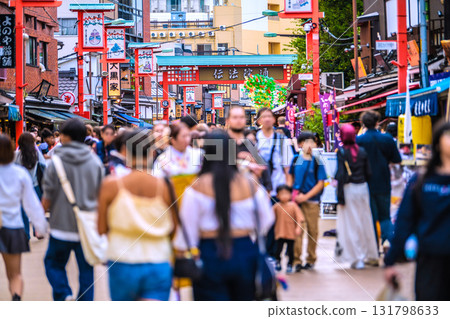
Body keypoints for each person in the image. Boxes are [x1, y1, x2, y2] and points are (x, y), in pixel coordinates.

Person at [172, 130, 275, 300]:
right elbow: (267, 219)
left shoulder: (196, 188)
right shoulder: (250, 185)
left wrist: (183, 253)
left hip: (209, 252)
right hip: (245, 250)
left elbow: (187, 232)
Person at [98, 129, 175, 301]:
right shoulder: (165, 187)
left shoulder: (110, 186)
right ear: (151, 152)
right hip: (158, 260)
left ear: (124, 152)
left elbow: (101, 228)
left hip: (122, 260)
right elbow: (174, 228)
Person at [384, 121, 450, 301]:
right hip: (430, 259)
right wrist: (391, 260)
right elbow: (405, 220)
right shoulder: (422, 180)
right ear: (437, 143)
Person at [42, 119, 104, 301]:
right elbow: (100, 197)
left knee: (53, 264)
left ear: (66, 137)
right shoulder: (95, 162)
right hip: (86, 227)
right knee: (87, 270)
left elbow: (47, 198)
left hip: (60, 226)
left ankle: (64, 294)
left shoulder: (56, 162)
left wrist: (39, 222)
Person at [0, 134, 48, 301]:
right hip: (12, 228)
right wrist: (41, 226)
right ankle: (16, 297)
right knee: (15, 275)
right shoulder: (19, 173)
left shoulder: (17, 158)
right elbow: (33, 206)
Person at [334, 125, 378, 270]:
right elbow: (370, 173)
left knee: (350, 223)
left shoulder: (341, 152)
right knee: (365, 220)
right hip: (363, 188)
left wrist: (339, 197)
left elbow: (340, 175)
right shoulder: (362, 151)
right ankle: (370, 253)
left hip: (348, 189)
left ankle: (356, 257)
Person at [356, 111, 401, 246]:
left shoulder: (359, 141)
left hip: (365, 184)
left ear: (363, 124)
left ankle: (373, 251)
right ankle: (394, 246)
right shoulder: (387, 139)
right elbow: (396, 160)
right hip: (384, 182)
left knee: (371, 218)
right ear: (377, 123)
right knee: (385, 217)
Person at [256, 107, 294, 258]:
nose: (266, 119)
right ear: (259, 121)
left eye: (269, 116)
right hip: (259, 189)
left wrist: (289, 190)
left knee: (275, 223)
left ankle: (271, 254)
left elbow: (287, 168)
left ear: (274, 120)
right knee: (261, 223)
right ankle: (263, 252)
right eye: (263, 117)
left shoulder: (282, 140)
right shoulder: (254, 140)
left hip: (277, 187)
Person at [288, 132, 327, 271]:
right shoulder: (296, 159)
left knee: (313, 231)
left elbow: (320, 184)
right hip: (296, 202)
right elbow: (290, 177)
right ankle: (297, 260)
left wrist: (305, 196)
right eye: (307, 142)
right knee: (297, 231)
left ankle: (311, 259)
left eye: (313, 142)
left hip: (312, 201)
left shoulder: (317, 160)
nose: (311, 145)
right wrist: (291, 194)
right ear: (300, 144)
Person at [14, 132, 47, 239]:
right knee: (36, 209)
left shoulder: (16, 155)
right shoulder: (36, 154)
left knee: (23, 212)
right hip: (35, 185)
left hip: (20, 188)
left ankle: (26, 234)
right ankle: (37, 230)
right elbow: (44, 166)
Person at [273, 185, 304, 273]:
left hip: (291, 233)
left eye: (286, 193)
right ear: (277, 196)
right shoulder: (276, 206)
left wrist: (298, 228)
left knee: (291, 251)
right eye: (282, 194)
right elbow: (269, 217)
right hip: (280, 232)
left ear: (290, 195)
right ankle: (278, 262)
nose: (284, 196)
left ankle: (290, 264)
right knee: (278, 249)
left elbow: (299, 218)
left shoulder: (293, 206)